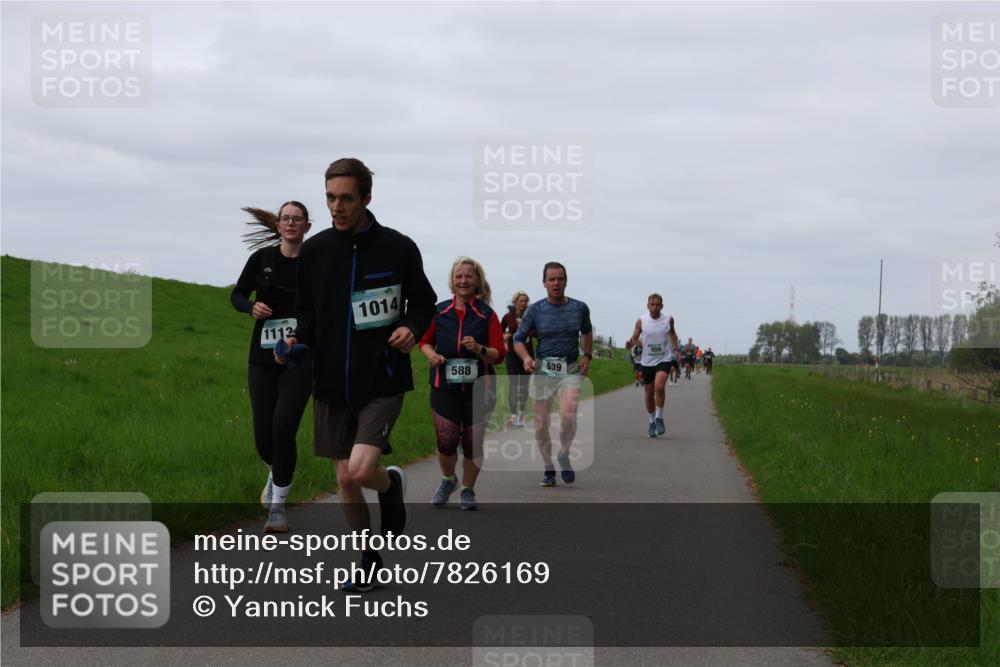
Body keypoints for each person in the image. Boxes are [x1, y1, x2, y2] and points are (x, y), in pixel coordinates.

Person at [278, 158, 436, 592]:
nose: (336, 207)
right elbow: (306, 314)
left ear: (366, 198)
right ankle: (368, 560)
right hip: (329, 381)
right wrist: (295, 341)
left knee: (364, 469)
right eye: (330, 197)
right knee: (345, 477)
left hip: (381, 378)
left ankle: (389, 487)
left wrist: (411, 327)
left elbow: (424, 302)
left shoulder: (398, 248)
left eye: (346, 198)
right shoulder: (314, 251)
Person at [231, 202, 313, 533]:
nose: (291, 223)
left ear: (307, 225)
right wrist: (251, 307)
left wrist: (300, 333)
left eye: (297, 219)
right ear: (278, 225)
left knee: (283, 428)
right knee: (264, 437)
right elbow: (237, 295)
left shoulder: (315, 261)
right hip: (262, 357)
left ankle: (277, 506)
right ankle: (275, 471)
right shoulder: (261, 260)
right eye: (286, 218)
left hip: (301, 357)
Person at [419, 257, 504, 510]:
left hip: (480, 388)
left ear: (477, 280)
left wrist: (479, 349)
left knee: (472, 441)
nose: (463, 280)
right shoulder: (440, 311)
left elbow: (499, 354)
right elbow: (423, 341)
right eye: (459, 276)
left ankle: (468, 489)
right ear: (452, 280)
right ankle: (448, 479)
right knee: (446, 439)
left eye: (468, 276)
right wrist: (431, 355)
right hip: (444, 385)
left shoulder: (487, 315)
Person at [512, 262, 593, 487]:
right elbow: (517, 339)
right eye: (551, 279)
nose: (556, 283)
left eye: (560, 279)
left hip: (570, 368)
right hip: (543, 369)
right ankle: (548, 468)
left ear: (566, 281)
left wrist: (586, 356)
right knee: (541, 424)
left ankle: (564, 453)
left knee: (568, 415)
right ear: (544, 283)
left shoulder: (579, 308)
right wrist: (526, 358)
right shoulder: (535, 310)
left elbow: (586, 332)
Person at [625, 294, 679, 438]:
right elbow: (635, 337)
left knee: (659, 386)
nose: (655, 307)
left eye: (657, 305)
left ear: (662, 306)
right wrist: (632, 343)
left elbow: (673, 335)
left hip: (664, 359)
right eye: (652, 304)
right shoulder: (641, 321)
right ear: (647, 305)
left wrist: (675, 349)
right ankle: (651, 422)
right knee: (648, 393)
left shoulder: (668, 320)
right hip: (647, 361)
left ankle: (659, 417)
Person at [501, 291, 532, 427]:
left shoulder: (532, 316)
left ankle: (522, 414)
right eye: (521, 300)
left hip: (527, 355)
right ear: (515, 302)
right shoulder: (508, 317)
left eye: (526, 301)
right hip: (512, 354)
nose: (524, 303)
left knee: (524, 385)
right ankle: (513, 416)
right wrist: (505, 338)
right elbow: (499, 332)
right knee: (513, 384)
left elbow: (537, 332)